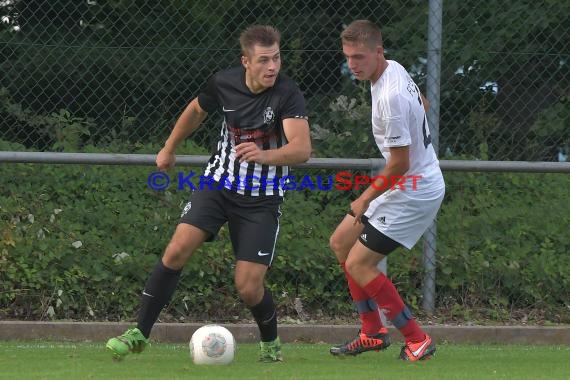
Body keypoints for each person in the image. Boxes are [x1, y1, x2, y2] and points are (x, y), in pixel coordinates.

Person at [106, 24, 311, 363]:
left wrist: (264, 155)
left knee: (247, 286)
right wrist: (169, 148)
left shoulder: (287, 93)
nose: (272, 67)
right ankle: (139, 333)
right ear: (245, 61)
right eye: (264, 60)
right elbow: (195, 110)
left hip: (263, 197)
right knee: (177, 249)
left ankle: (271, 343)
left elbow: (302, 149)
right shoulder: (224, 83)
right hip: (218, 183)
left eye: (276, 58)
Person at [328, 20, 445, 361]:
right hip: (410, 181)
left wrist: (364, 199)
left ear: (378, 52)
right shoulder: (393, 69)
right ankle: (372, 332)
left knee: (360, 265)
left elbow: (399, 165)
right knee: (341, 243)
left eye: (360, 57)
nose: (353, 64)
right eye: (348, 57)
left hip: (415, 189)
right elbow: (422, 104)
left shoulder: (390, 97)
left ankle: (416, 339)